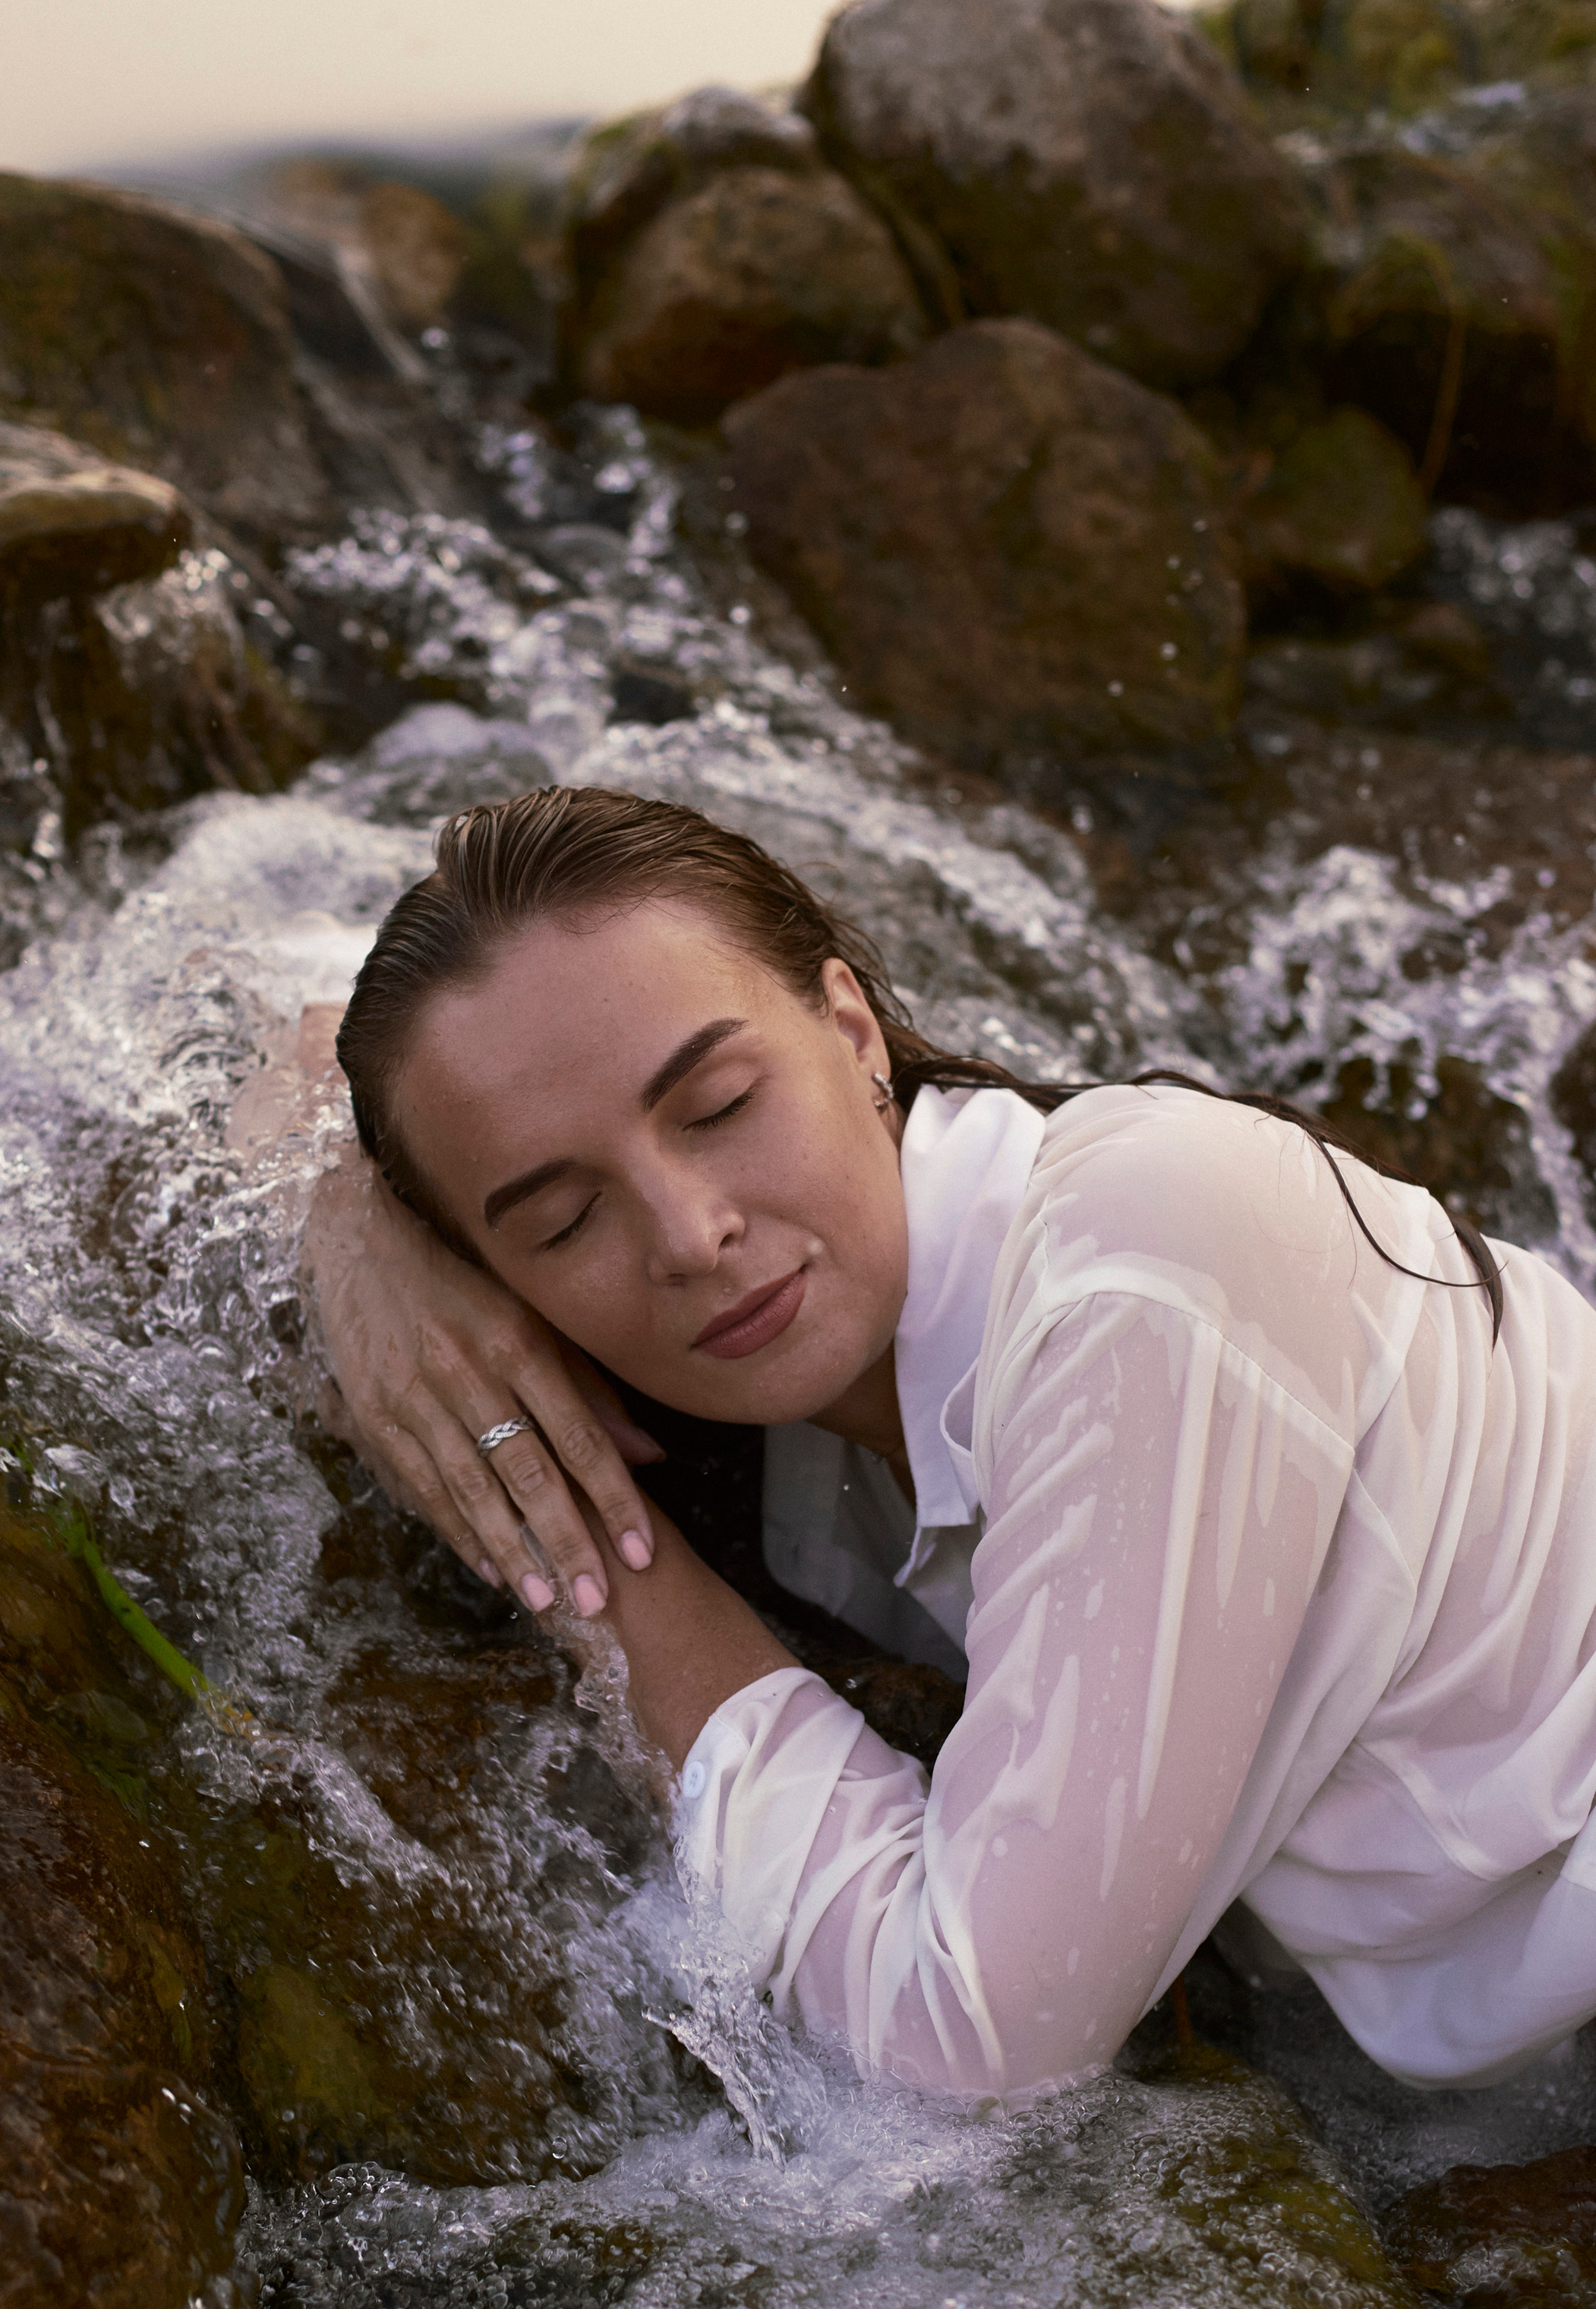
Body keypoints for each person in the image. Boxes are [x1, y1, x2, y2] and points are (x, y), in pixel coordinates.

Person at [295, 784, 1596, 2102]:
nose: (691, 1234)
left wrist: (578, 1546)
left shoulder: (1142, 1265)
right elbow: (234, 1010)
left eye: (721, 1105)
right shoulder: (839, 1405)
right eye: (565, 1221)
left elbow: (974, 2044)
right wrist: (348, 1228)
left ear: (853, 1026)